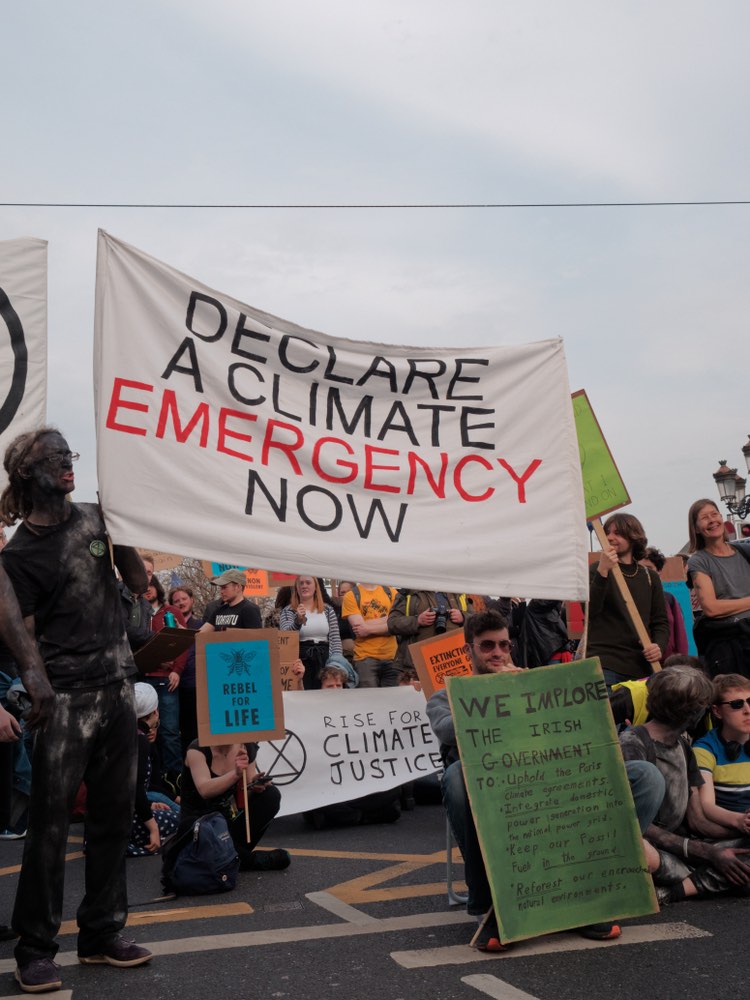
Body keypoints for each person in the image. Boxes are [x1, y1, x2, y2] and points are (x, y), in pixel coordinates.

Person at [0, 427, 151, 994]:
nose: (68, 464)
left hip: (117, 691)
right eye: (55, 458)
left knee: (114, 822)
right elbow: (19, 633)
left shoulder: (94, 518)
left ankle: (102, 933)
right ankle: (35, 949)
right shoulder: (20, 554)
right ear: (27, 475)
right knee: (49, 830)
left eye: (70, 455)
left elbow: (136, 581)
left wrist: (124, 529)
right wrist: (31, 679)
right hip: (66, 701)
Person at [619, 665, 750, 904]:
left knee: (739, 860)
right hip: (654, 848)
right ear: (692, 713)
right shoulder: (633, 744)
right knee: (644, 852)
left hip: (683, 848)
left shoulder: (683, 746)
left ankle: (686, 885)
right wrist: (710, 853)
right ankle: (693, 885)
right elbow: (636, 824)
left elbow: (698, 820)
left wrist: (741, 826)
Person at [170, 741, 289, 872]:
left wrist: (255, 786)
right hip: (199, 827)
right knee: (206, 850)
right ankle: (249, 860)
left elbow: (247, 789)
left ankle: (231, 856)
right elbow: (205, 790)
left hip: (225, 824)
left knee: (271, 795)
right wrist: (235, 774)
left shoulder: (246, 747)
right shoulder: (197, 750)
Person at [588, 513, 669, 686]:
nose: (610, 537)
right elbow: (589, 612)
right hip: (604, 664)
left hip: (640, 666)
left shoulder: (650, 577)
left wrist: (658, 647)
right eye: (607, 532)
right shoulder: (597, 569)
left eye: (617, 533)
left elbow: (660, 621)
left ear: (633, 537)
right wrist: (603, 571)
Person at [687, 499, 750, 678]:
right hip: (731, 646)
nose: (712, 520)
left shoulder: (745, 552)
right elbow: (711, 609)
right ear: (697, 528)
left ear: (722, 518)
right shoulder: (699, 561)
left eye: (714, 514)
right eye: (704, 518)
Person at [693, 674, 750, 836]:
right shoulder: (704, 750)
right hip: (728, 833)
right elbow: (707, 805)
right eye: (737, 704)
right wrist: (740, 820)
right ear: (717, 711)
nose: (748, 710)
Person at [127, 683, 180, 857]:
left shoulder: (120, 733)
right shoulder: (139, 740)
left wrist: (150, 805)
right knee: (184, 820)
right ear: (156, 711)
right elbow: (135, 790)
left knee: (163, 803)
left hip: (100, 824)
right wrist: (153, 827)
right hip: (122, 824)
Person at [279, 576, 342, 689]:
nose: (304, 586)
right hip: (300, 661)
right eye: (301, 583)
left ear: (315, 587)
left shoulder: (327, 610)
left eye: (308, 583)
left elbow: (335, 639)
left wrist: (335, 665)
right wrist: (297, 621)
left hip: (325, 659)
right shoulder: (288, 611)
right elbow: (285, 639)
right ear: (296, 588)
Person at [388, 588, 470, 674]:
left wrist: (463, 617)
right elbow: (392, 623)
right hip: (417, 665)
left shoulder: (458, 592)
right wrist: (417, 621)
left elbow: (476, 621)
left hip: (455, 662)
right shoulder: (408, 592)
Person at [341, 583, 399, 688]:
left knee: (392, 702)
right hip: (365, 658)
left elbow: (398, 624)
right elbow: (359, 629)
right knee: (369, 701)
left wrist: (367, 627)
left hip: (392, 657)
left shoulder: (392, 592)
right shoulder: (351, 595)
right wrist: (388, 621)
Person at [169, 586, 203, 754]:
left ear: (192, 600)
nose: (181, 603)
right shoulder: (168, 627)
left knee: (200, 733)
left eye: (184, 599)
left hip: (198, 686)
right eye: (176, 601)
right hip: (175, 687)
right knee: (182, 733)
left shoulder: (202, 625)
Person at [640, 547, 689, 660]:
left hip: (668, 664)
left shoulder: (668, 599)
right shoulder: (628, 600)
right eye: (640, 568)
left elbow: (680, 636)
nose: (645, 573)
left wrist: (681, 662)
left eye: (649, 568)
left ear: (659, 571)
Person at [199, 569, 262, 633]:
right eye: (221, 588)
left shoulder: (250, 609)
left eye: (224, 587)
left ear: (238, 587)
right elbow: (199, 635)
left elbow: (257, 638)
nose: (221, 592)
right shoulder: (219, 610)